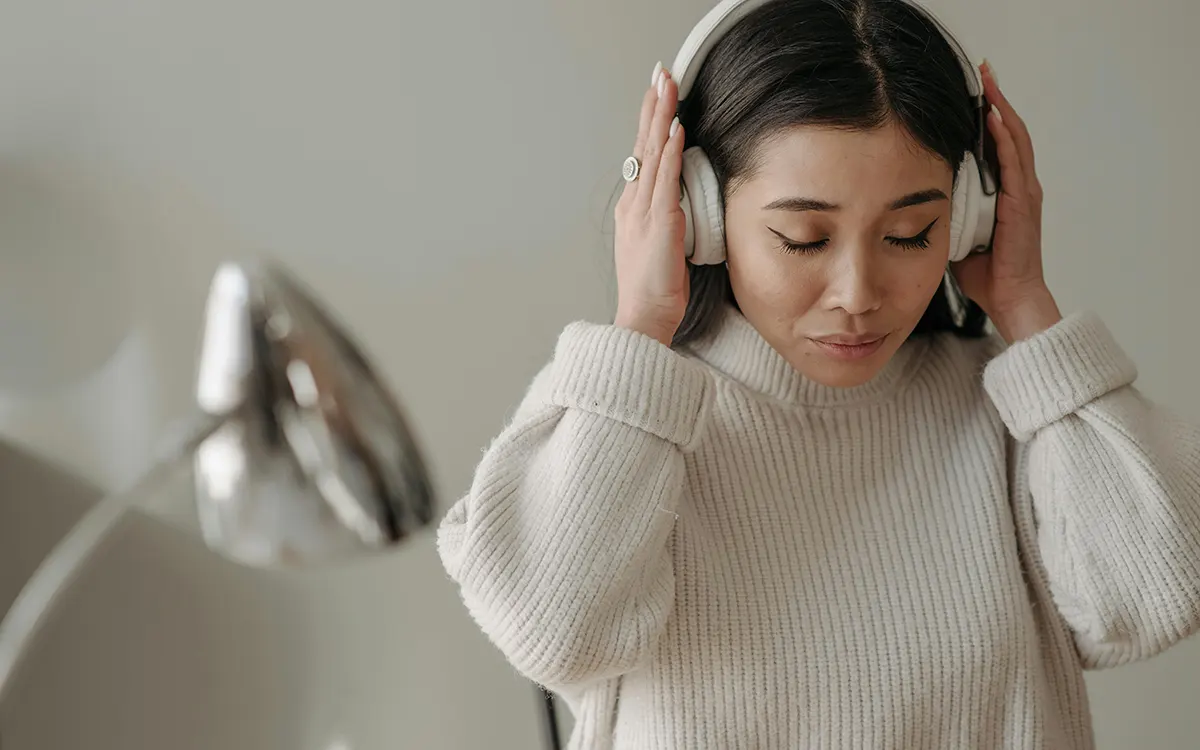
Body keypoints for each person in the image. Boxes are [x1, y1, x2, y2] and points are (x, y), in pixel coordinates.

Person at [437, 0, 1200, 747]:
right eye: (802, 238)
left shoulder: (1016, 419)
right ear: (697, 214)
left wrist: (1027, 304)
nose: (859, 295)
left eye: (911, 233)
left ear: (970, 214)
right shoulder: (614, 428)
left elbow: (1154, 597)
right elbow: (554, 635)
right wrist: (641, 323)